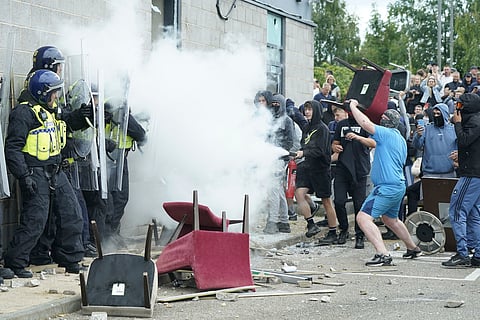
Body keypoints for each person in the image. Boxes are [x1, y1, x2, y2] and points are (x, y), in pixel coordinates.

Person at [3, 70, 85, 277]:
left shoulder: (52, 109)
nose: (56, 96)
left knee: (71, 214)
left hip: (56, 170)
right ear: (42, 92)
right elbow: (12, 147)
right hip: (35, 172)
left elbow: (68, 121)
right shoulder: (24, 113)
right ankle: (15, 262)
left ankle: (70, 258)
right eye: (53, 92)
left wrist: (83, 116)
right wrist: (23, 175)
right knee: (35, 219)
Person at [348, 99, 422, 266]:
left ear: (390, 123)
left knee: (363, 218)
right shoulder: (399, 138)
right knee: (391, 220)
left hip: (386, 187)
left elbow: (366, 123)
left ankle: (383, 254)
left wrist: (353, 106)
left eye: (385, 118)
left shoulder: (386, 134)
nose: (382, 120)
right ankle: (413, 248)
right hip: (397, 185)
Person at [442, 93, 480, 267]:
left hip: (472, 174)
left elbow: (464, 140)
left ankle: (463, 253)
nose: (457, 110)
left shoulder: (474, 121)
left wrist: (457, 123)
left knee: (456, 210)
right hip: (474, 172)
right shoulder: (475, 119)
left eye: (459, 106)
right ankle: (477, 253)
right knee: (473, 214)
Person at [103, 96, 147, 245]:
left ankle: (113, 234)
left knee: (116, 198)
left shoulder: (112, 102)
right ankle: (109, 235)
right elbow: (139, 132)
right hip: (114, 157)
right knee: (117, 198)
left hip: (117, 156)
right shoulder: (116, 104)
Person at [294, 100, 337, 239]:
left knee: (326, 201)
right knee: (299, 193)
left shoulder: (323, 129)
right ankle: (311, 224)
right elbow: (305, 145)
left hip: (321, 169)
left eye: (310, 109)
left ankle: (333, 232)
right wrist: (298, 154)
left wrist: (303, 153)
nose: (307, 112)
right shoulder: (307, 128)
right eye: (305, 109)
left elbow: (319, 150)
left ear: (317, 111)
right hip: (308, 167)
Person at [332, 113, 375, 248]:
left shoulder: (366, 123)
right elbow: (335, 142)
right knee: (339, 201)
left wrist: (357, 137)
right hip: (342, 168)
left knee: (359, 204)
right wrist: (335, 147)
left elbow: (373, 143)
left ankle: (360, 235)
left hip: (360, 169)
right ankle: (343, 229)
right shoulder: (341, 124)